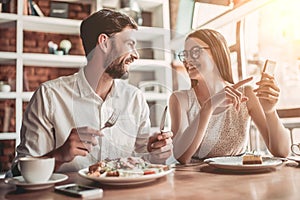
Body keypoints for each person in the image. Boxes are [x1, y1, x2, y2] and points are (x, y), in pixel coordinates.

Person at [9, 8, 173, 175]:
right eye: (130, 44)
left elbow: (143, 161)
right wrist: (59, 155)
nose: (136, 55)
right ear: (104, 42)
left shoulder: (134, 98)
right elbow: (18, 172)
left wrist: (157, 153)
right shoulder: (49, 96)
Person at [170, 29, 290, 164]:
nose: (187, 60)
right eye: (185, 55)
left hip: (239, 177)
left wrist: (270, 112)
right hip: (198, 180)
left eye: (195, 52)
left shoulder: (246, 94)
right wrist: (209, 106)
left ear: (217, 53)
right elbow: (181, 156)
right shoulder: (180, 99)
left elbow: (282, 152)